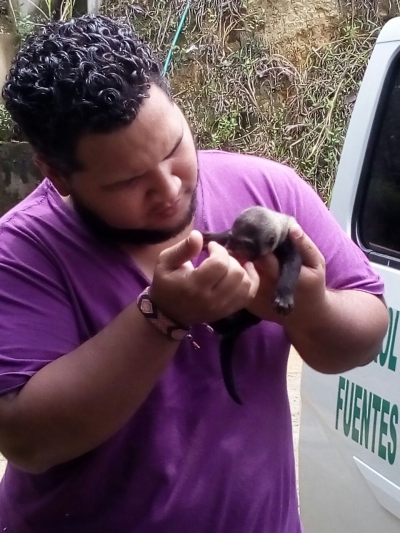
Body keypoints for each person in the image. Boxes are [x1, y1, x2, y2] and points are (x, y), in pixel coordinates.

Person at [0, 14, 388, 533]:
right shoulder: (21, 253)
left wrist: (307, 306)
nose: (170, 188)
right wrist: (161, 316)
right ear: (57, 175)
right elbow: (29, 441)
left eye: (174, 147)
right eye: (128, 181)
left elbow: (362, 339)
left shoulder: (269, 192)